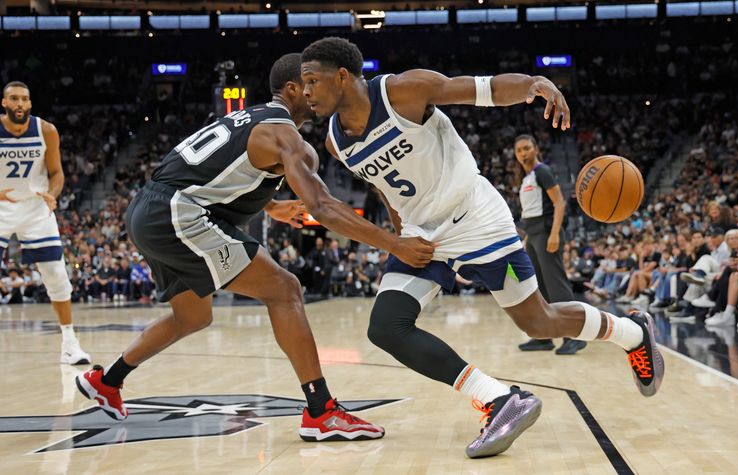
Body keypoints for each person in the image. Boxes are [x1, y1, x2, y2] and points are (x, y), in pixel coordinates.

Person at [301, 37, 664, 459]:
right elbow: (384, 186)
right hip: (423, 234)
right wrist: (399, 234)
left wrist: (533, 84)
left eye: (312, 80)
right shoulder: (333, 141)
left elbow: (483, 89)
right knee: (385, 326)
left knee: (538, 322)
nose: (306, 91)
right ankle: (499, 400)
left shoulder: (403, 91)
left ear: (342, 76)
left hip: (476, 218)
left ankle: (633, 333)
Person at [75, 54, 435, 443]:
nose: (316, 94)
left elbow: (207, 170)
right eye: (310, 85)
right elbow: (322, 206)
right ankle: (322, 411)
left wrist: (272, 205)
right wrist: (393, 243)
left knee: (192, 316)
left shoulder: (249, 118)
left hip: (149, 210)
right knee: (285, 290)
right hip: (178, 215)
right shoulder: (283, 134)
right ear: (292, 89)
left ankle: (106, 380)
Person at [0, 81, 90, 364]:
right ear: (4, 103)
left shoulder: (46, 130)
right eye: (13, 98)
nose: (19, 104)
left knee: (56, 274)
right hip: (1, 205)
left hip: (36, 206)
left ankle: (69, 344)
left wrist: (52, 195)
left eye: (23, 99)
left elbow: (56, 173)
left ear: (29, 104)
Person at [513, 134, 585, 355]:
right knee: (538, 289)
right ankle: (543, 337)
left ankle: (574, 336)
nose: (523, 153)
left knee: (556, 286)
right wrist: (526, 240)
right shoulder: (526, 178)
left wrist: (554, 234)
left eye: (527, 148)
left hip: (546, 232)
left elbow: (559, 203)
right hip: (533, 235)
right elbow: (529, 213)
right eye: (519, 150)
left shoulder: (542, 171)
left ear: (535, 149)